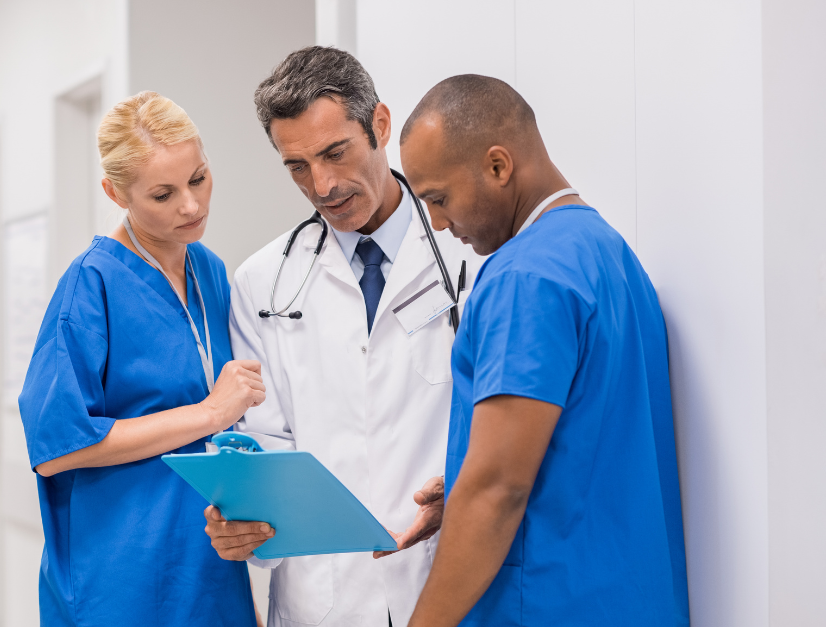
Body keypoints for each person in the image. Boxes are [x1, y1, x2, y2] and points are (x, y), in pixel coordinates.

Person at [397, 75, 690, 626]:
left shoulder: (523, 277)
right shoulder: (606, 253)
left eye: (439, 198)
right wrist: (462, 480)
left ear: (498, 166)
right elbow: (587, 438)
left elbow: (497, 490)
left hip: (548, 604)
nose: (437, 222)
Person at [203, 46, 479, 627]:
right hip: (322, 597)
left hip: (446, 577)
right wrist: (242, 519)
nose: (322, 185)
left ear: (379, 124)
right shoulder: (264, 281)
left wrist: (466, 486)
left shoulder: (468, 252)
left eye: (335, 153)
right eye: (297, 166)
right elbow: (263, 443)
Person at [18, 91, 267, 626]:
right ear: (116, 193)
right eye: (163, 193)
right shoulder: (92, 283)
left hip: (208, 571)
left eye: (198, 179)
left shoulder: (211, 273)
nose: (191, 206)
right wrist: (208, 414)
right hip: (120, 578)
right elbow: (56, 447)